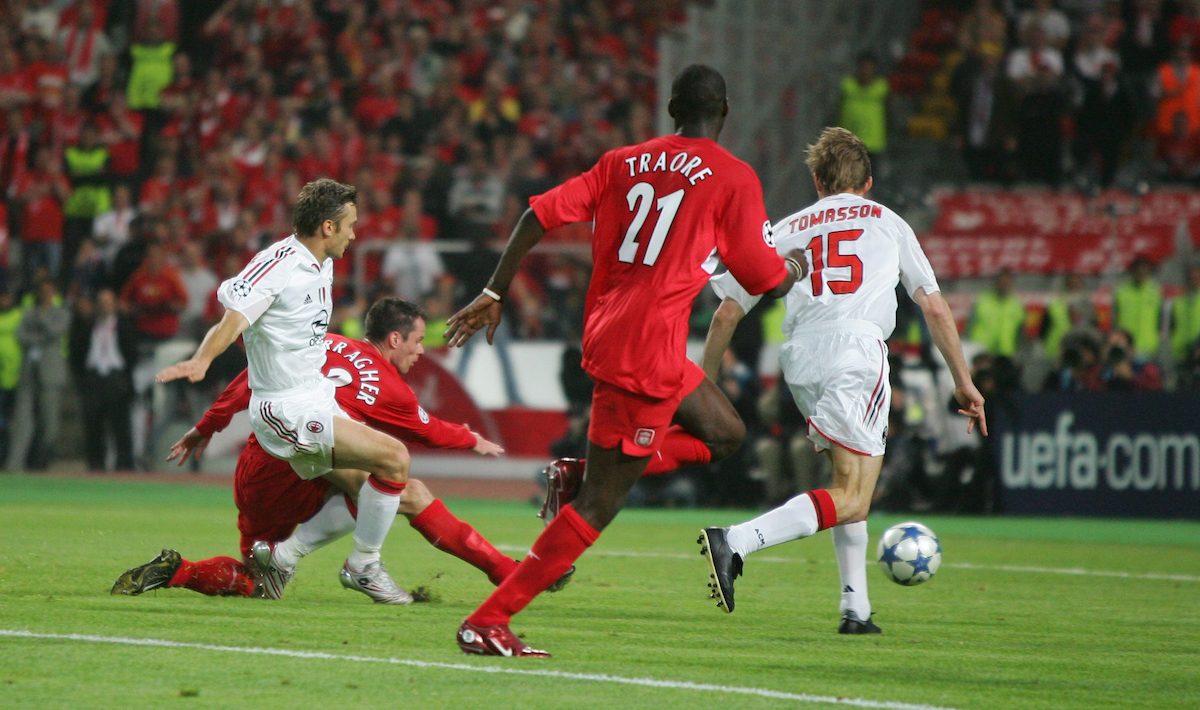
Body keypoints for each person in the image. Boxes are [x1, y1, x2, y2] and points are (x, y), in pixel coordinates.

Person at [443, 65, 804, 657]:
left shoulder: (621, 162)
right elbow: (762, 274)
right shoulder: (734, 177)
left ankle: (580, 473)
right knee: (600, 507)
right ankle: (487, 618)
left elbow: (537, 214)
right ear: (726, 111)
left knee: (726, 432)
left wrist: (494, 290)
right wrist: (793, 271)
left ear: (670, 110)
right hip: (643, 354)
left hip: (624, 337)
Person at [697, 127, 986, 633]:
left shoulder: (786, 228)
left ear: (816, 181)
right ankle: (737, 541)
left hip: (802, 358)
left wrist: (705, 386)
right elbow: (933, 306)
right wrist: (963, 380)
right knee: (853, 495)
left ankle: (857, 609)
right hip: (856, 349)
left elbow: (725, 315)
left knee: (846, 483)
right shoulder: (888, 221)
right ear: (868, 182)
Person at [112, 299, 563, 600]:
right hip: (298, 465)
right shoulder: (390, 387)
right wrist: (472, 439)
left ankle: (179, 571)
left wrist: (205, 427)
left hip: (256, 469)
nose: (421, 352)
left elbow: (250, 380)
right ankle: (501, 572)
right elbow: (430, 432)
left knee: (262, 584)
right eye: (418, 340)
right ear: (394, 339)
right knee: (397, 484)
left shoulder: (319, 344)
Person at [156, 178, 415, 604]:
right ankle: (363, 566)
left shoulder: (322, 262)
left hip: (315, 395)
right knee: (395, 459)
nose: (355, 233)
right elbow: (233, 319)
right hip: (285, 409)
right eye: (350, 224)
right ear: (327, 227)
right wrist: (203, 359)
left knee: (370, 488)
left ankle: (284, 559)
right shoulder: (277, 264)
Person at [69, 288, 137, 471]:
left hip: (116, 377)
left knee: (121, 425)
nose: (104, 307)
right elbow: (76, 352)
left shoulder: (124, 326)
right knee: (93, 424)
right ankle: (95, 465)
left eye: (108, 302)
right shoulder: (87, 325)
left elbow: (132, 353)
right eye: (101, 302)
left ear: (114, 305)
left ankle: (124, 466)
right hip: (93, 378)